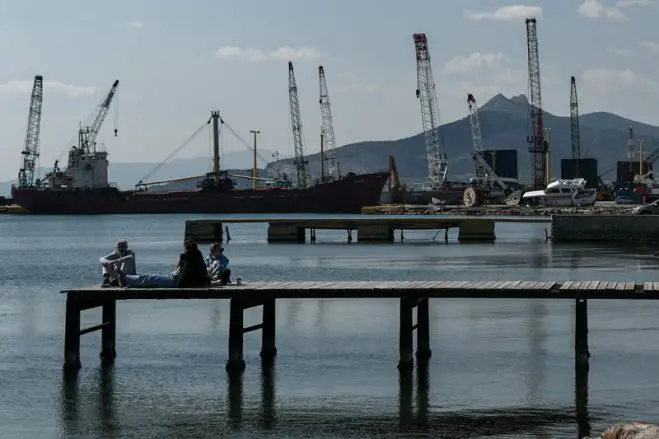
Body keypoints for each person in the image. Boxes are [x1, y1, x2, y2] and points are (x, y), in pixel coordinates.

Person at [102, 240, 210, 288]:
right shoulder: (197, 258)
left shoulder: (189, 259)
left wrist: (178, 287)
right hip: (173, 276)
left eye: (185, 249)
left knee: (151, 278)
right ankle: (124, 278)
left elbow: (183, 277)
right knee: (150, 277)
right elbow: (204, 274)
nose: (184, 251)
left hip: (175, 280)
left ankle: (125, 278)